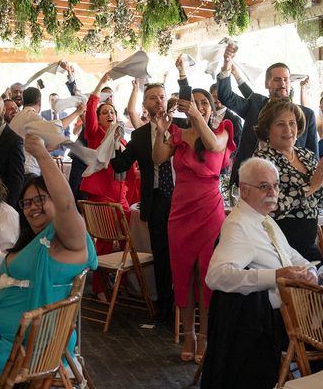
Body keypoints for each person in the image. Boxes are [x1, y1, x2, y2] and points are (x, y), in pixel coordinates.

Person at [0, 134, 98, 377]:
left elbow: (66, 204)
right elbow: (2, 281)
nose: (32, 207)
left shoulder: (66, 242)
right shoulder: (32, 243)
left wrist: (42, 155)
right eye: (26, 203)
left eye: (40, 200)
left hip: (26, 350)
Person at [203, 157, 317, 389]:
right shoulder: (239, 225)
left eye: (276, 185)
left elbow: (293, 256)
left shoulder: (264, 220)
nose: (273, 192)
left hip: (294, 311)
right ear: (244, 190)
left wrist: (310, 271)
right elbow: (215, 276)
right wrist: (275, 276)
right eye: (264, 186)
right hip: (269, 325)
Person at [152, 87, 235, 364]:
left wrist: (196, 116)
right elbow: (157, 159)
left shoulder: (223, 130)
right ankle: (189, 335)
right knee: (183, 274)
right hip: (180, 211)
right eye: (195, 103)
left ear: (211, 108)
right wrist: (160, 129)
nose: (199, 107)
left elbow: (213, 146)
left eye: (204, 103)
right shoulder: (178, 134)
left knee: (207, 276)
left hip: (210, 210)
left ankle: (207, 336)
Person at [110, 82, 175, 323]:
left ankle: (188, 306)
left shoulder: (182, 128)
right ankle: (166, 309)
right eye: (152, 98)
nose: (158, 101)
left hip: (183, 199)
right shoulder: (138, 135)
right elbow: (119, 166)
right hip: (157, 201)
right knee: (162, 257)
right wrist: (114, 142)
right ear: (144, 105)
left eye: (161, 96)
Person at [216, 45, 318, 186]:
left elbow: (313, 157)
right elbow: (225, 96)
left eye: (286, 79)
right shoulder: (255, 104)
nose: (282, 84)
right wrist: (227, 64)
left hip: (292, 187)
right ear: (267, 84)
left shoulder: (306, 115)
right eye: (277, 80)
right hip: (250, 182)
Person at [253, 99, 323, 261]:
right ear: (267, 129)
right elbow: (273, 206)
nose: (288, 130)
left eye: (292, 123)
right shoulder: (262, 160)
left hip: (308, 243)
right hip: (278, 247)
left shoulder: (306, 155)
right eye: (280, 124)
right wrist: (311, 187)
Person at [81, 71, 136, 300]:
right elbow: (90, 108)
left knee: (128, 242)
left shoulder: (121, 139)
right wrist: (101, 83)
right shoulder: (95, 136)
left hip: (121, 198)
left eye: (112, 111)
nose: (109, 114)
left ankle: (120, 285)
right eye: (105, 112)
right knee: (103, 243)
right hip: (102, 199)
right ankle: (100, 288)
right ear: (99, 118)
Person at [41, 93, 70, 157]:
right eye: (52, 100)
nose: (54, 102)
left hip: (61, 149)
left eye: (57, 100)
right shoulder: (43, 114)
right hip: (48, 149)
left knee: (61, 166)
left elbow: (67, 132)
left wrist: (65, 146)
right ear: (49, 101)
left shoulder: (65, 114)